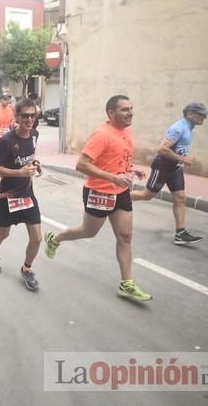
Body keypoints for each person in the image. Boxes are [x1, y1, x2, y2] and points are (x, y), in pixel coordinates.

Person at [43, 94, 152, 302]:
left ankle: (126, 283)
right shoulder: (102, 134)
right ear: (111, 113)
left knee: (125, 236)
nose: (130, 113)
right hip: (99, 192)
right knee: (88, 231)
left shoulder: (126, 132)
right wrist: (113, 177)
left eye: (131, 108)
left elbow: (117, 159)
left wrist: (131, 171)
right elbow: (81, 165)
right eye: (124, 109)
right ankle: (54, 238)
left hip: (120, 192)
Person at [130, 102, 208, 245]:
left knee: (180, 198)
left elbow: (177, 149)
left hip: (175, 169)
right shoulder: (178, 128)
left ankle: (180, 234)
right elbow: (162, 149)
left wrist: (181, 160)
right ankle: (116, 198)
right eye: (201, 114)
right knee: (147, 195)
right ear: (190, 114)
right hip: (162, 167)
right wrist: (183, 159)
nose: (204, 117)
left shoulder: (188, 127)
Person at [0, 98, 43, 291]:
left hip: (27, 194)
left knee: (36, 238)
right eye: (25, 115)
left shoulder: (34, 134)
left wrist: (35, 164)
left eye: (32, 115)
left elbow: (30, 156)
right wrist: (18, 173)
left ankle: (26, 269)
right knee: (4, 233)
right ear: (17, 116)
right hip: (8, 196)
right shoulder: (7, 141)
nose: (29, 119)